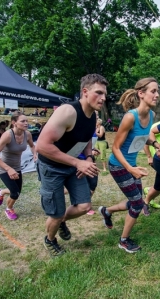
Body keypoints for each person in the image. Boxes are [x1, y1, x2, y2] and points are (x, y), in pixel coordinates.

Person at [36, 74, 108, 257]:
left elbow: (87, 139)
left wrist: (89, 157)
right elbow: (42, 146)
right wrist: (78, 162)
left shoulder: (92, 115)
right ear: (85, 92)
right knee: (55, 213)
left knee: (84, 206)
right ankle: (50, 239)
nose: (103, 98)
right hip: (52, 168)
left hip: (71, 166)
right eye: (98, 93)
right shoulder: (68, 111)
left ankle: (61, 220)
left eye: (105, 94)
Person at [98, 77, 160, 253]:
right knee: (137, 203)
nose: (157, 95)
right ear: (141, 94)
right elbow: (116, 148)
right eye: (153, 91)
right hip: (119, 166)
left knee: (137, 201)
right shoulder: (129, 117)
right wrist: (130, 168)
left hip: (131, 166)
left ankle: (107, 211)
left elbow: (143, 137)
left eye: (157, 91)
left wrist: (155, 144)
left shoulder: (151, 115)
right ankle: (124, 240)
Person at [0, 111, 36, 220]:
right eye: (23, 121)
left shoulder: (27, 134)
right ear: (14, 122)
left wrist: (35, 154)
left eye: (27, 121)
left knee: (17, 191)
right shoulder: (7, 135)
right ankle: (9, 209)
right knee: (14, 193)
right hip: (4, 168)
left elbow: (32, 146)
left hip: (17, 167)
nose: (26, 123)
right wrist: (8, 169)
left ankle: (1, 192)